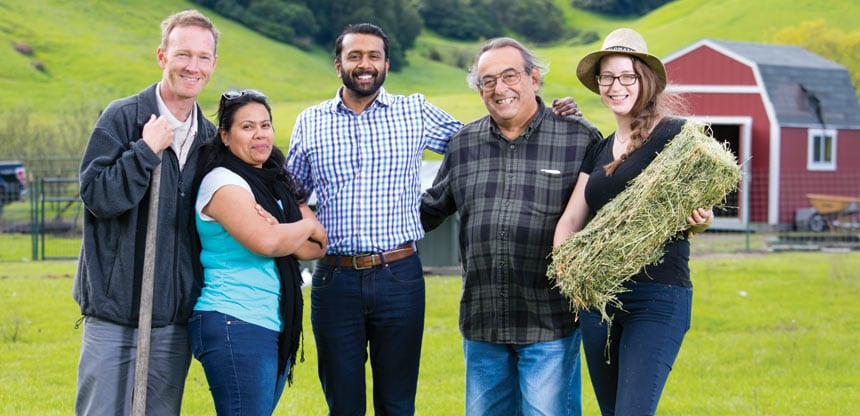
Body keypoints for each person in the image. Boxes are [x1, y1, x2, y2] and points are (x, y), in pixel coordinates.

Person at [287, 23, 580, 415]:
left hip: (398, 275)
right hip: (335, 277)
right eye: (354, 56)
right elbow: (292, 195)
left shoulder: (415, 112)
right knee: (343, 402)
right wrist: (301, 226)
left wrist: (553, 118)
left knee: (397, 401)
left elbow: (487, 141)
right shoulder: (311, 121)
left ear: (387, 64)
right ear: (337, 63)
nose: (364, 64)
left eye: (373, 56)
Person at [420, 37, 601, 416]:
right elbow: (428, 211)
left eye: (509, 76)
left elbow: (610, 215)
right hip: (483, 323)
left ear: (534, 79)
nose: (499, 89)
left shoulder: (578, 138)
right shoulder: (464, 144)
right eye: (487, 81)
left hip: (549, 324)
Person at [553, 28, 714, 416]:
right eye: (607, 77)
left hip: (657, 296)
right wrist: (568, 272)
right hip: (600, 302)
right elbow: (571, 220)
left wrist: (701, 221)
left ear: (646, 81)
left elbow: (699, 207)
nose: (615, 86)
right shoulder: (599, 148)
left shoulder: (678, 138)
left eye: (627, 76)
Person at [73, 9, 219, 415]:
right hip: (115, 313)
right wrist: (145, 151)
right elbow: (97, 196)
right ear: (161, 57)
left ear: (213, 64)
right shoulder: (124, 118)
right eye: (183, 54)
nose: (193, 66)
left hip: (172, 319)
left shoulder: (209, 139)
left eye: (202, 57)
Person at [189, 89, 327, 414]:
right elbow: (268, 242)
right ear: (225, 136)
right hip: (234, 319)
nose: (260, 135)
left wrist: (285, 229)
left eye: (265, 125)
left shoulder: (275, 182)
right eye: (247, 127)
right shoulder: (222, 183)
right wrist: (298, 227)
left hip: (269, 321)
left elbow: (315, 247)